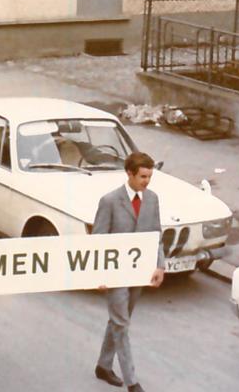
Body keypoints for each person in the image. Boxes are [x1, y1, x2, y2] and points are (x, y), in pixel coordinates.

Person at [93, 152, 165, 392]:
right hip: (115, 273)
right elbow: (98, 241)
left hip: (139, 272)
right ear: (129, 174)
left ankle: (103, 366)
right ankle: (132, 383)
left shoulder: (153, 199)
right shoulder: (110, 201)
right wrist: (98, 274)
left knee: (119, 320)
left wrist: (160, 265)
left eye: (150, 176)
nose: (147, 181)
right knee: (121, 324)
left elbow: (156, 235)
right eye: (143, 176)